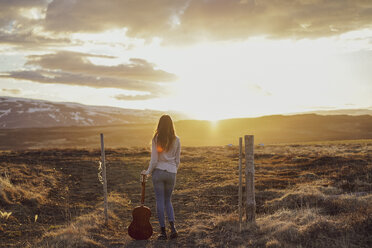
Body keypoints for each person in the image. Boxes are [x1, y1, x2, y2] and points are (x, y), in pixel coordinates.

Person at [141, 114, 181, 240]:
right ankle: (173, 228)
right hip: (171, 173)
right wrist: (173, 170)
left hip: (158, 172)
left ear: (160, 125)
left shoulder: (156, 138)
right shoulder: (177, 139)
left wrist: (147, 172)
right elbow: (178, 160)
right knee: (168, 200)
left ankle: (163, 232)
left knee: (159, 201)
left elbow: (154, 160)